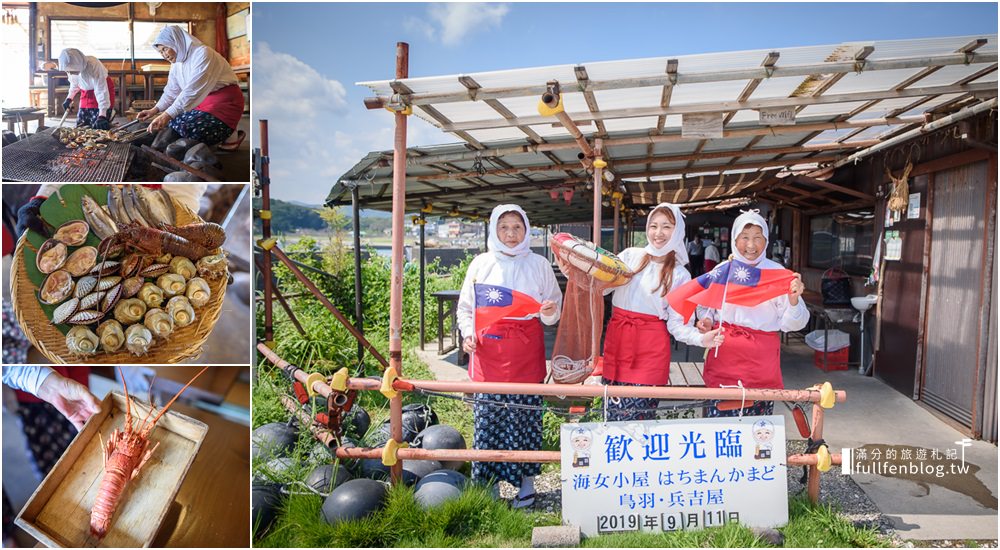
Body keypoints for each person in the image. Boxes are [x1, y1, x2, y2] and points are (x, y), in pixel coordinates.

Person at [456, 204, 561, 509]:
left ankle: (526, 486)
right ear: (494, 230)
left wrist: (551, 311)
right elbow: (466, 309)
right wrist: (468, 334)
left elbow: (554, 305)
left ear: (527, 229)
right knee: (488, 421)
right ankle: (487, 486)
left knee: (525, 418)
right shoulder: (480, 264)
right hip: (488, 351)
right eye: (504, 227)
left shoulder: (540, 264)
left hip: (525, 351)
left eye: (517, 227)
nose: (511, 234)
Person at [582, 203, 723, 422]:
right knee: (611, 416)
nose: (658, 233)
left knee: (638, 419)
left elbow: (677, 325)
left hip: (650, 350)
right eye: (654, 226)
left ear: (677, 232)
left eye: (666, 227)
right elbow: (603, 288)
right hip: (617, 343)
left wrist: (702, 339)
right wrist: (585, 267)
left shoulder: (680, 275)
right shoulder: (629, 256)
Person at [696, 210, 808, 417]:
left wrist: (793, 301)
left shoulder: (778, 274)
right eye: (744, 237)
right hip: (725, 357)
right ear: (734, 240)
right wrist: (706, 319)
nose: (751, 245)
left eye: (758, 238)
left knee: (759, 430)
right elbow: (706, 306)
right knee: (720, 425)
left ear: (766, 241)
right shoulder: (723, 270)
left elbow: (794, 324)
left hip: (761, 362)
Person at [137, 26, 245, 148]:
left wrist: (166, 115)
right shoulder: (177, 62)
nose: (164, 55)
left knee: (187, 128)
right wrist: (154, 110)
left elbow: (192, 91)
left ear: (176, 42)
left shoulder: (202, 54)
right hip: (201, 102)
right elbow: (171, 91)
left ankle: (229, 132)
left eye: (165, 49)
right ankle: (227, 135)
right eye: (161, 52)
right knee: (173, 123)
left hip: (225, 103)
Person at [58, 48, 115, 130]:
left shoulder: (93, 64)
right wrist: (69, 98)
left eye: (72, 71)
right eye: (68, 71)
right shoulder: (72, 68)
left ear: (78, 65)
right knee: (81, 124)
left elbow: (101, 90)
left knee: (99, 125)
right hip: (86, 92)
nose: (70, 73)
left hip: (103, 90)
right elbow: (74, 83)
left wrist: (102, 115)